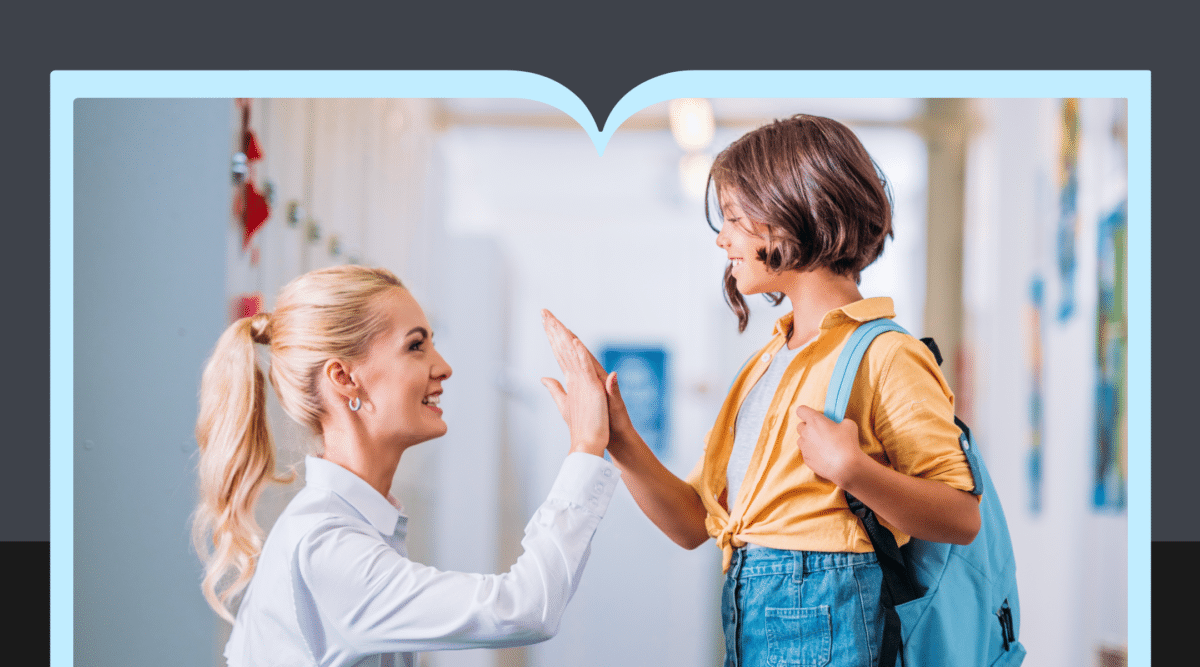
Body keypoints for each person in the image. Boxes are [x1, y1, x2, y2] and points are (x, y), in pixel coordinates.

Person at [542, 114, 981, 667]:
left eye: (732, 217)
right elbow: (691, 523)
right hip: (750, 628)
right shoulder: (764, 367)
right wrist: (617, 435)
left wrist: (854, 471)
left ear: (788, 213)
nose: (722, 238)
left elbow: (961, 517)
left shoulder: (886, 354)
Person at [192, 264, 620, 667]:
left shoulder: (349, 525)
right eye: (416, 346)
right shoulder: (327, 547)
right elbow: (523, 608)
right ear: (343, 378)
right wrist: (585, 446)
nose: (444, 367)